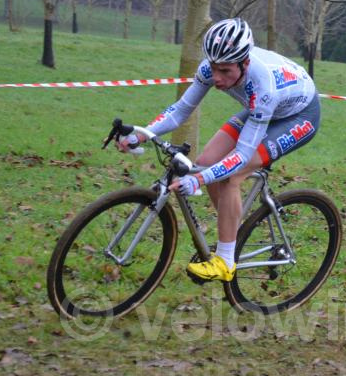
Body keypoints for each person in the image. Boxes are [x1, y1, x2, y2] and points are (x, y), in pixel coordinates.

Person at [118, 17, 320, 282]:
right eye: (213, 69)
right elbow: (181, 111)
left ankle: (225, 261)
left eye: (225, 71)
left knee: (231, 176)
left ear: (244, 63)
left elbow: (241, 156)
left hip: (298, 117)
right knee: (205, 161)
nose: (217, 78)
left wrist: (199, 179)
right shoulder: (211, 68)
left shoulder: (264, 87)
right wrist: (142, 135)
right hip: (260, 108)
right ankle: (232, 235)